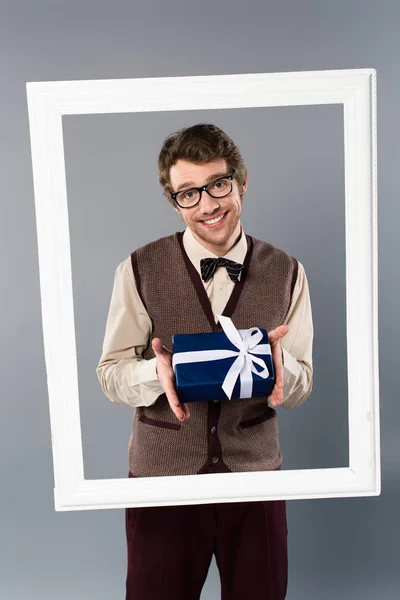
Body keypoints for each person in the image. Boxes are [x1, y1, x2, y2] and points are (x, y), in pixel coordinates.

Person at [96, 123, 314, 600]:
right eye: (188, 194)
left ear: (241, 180)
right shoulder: (138, 268)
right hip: (162, 479)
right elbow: (110, 375)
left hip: (253, 478)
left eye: (218, 185)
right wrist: (158, 373)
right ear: (174, 201)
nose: (208, 205)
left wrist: (280, 369)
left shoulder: (287, 271)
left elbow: (302, 384)